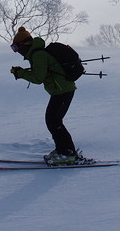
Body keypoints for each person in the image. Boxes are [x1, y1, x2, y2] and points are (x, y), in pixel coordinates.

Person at [10, 26, 80, 165]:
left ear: (24, 45)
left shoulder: (38, 55)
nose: (16, 51)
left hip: (63, 91)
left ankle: (68, 154)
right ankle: (63, 150)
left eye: (15, 48)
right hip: (60, 90)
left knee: (54, 121)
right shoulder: (36, 54)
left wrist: (20, 73)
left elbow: (38, 78)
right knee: (53, 121)